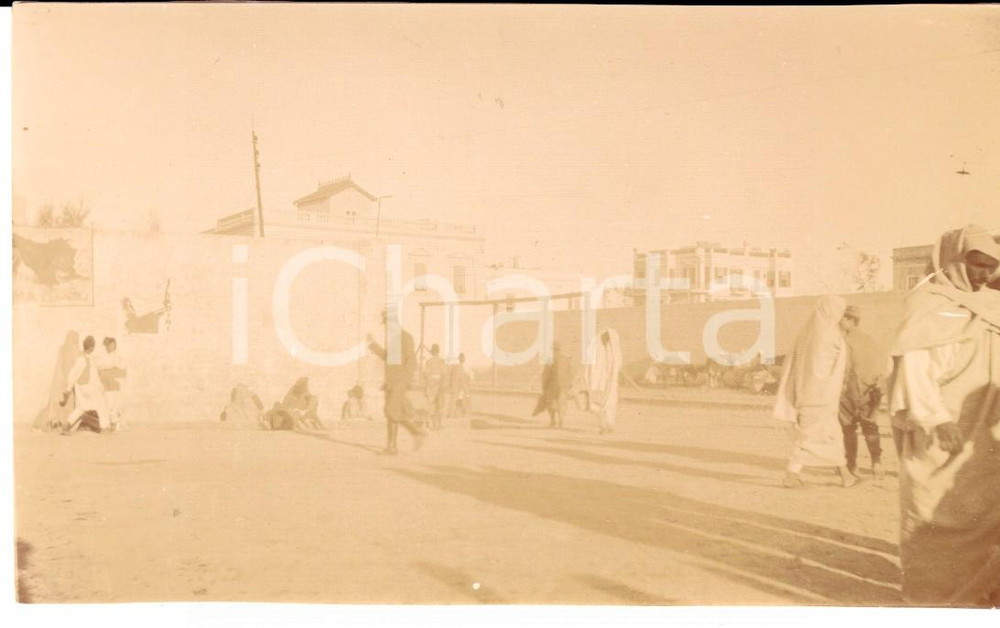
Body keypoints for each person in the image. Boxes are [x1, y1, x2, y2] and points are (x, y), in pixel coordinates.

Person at [886, 224, 1000, 606]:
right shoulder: (928, 304)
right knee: (931, 513)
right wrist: (937, 419)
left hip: (984, 433)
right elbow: (916, 371)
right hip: (940, 430)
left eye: (992, 266)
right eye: (978, 264)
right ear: (953, 259)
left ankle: (977, 595)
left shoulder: (992, 305)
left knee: (983, 514)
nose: (985, 274)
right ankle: (930, 599)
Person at [774, 295, 858, 488]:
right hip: (821, 395)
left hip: (805, 393)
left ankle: (845, 475)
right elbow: (824, 368)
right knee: (815, 436)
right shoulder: (829, 335)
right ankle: (792, 475)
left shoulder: (806, 333)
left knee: (825, 436)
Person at [367, 310, 427, 455]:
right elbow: (389, 358)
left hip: (399, 382)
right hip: (391, 382)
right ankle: (392, 447)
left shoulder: (405, 337)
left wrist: (404, 381)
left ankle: (416, 432)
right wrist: (372, 344)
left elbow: (411, 362)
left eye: (387, 324)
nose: (386, 328)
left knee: (391, 411)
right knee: (391, 412)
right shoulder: (394, 339)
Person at [837, 306, 886, 479]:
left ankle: (852, 465)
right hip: (871, 389)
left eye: (843, 318)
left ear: (851, 320)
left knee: (848, 428)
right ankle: (876, 463)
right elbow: (882, 366)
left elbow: (846, 368)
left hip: (851, 389)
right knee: (870, 426)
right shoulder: (870, 340)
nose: (839, 321)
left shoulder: (845, 341)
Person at [33, 331, 81, 431]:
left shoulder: (62, 348)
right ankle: (63, 424)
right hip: (68, 381)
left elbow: (59, 366)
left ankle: (54, 423)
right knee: (67, 403)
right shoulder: (75, 350)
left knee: (57, 403)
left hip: (60, 380)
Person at [62, 335, 110, 434]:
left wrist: (68, 389)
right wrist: (68, 389)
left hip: (83, 389)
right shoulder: (83, 359)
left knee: (81, 408)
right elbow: (73, 374)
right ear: (91, 348)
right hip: (87, 389)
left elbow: (74, 375)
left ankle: (67, 426)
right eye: (93, 346)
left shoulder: (87, 359)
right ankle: (104, 428)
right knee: (101, 404)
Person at [586, 329, 623, 434]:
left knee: (610, 404)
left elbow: (616, 367)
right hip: (598, 383)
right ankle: (603, 425)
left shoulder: (614, 353)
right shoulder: (597, 350)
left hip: (610, 384)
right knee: (597, 405)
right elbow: (590, 368)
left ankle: (610, 425)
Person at [535, 341, 573, 428]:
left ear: (552, 350)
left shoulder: (550, 360)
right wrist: (569, 384)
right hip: (563, 386)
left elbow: (545, 374)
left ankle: (553, 420)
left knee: (551, 403)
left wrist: (544, 387)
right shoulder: (566, 360)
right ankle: (561, 421)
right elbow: (571, 373)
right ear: (560, 349)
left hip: (552, 386)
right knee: (561, 403)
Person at [96, 337, 127, 432]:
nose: (110, 347)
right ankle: (109, 424)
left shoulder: (118, 357)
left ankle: (115, 424)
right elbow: (99, 367)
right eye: (109, 345)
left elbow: (123, 369)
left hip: (115, 383)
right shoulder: (103, 357)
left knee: (115, 404)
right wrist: (110, 367)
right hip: (106, 383)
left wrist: (114, 367)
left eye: (112, 345)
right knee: (108, 403)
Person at [423, 344, 447, 430]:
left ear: (431, 351)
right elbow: (444, 375)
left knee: (431, 406)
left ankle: (432, 425)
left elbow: (425, 375)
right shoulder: (442, 361)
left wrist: (428, 384)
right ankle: (439, 425)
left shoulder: (428, 362)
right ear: (438, 351)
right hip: (439, 386)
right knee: (439, 406)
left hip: (431, 386)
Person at [446, 353, 473, 418]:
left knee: (461, 400)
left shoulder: (467, 367)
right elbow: (452, 377)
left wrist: (468, 385)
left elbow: (470, 377)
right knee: (455, 400)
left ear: (464, 359)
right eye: (460, 358)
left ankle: (457, 413)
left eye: (462, 358)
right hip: (458, 386)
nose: (461, 359)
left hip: (463, 387)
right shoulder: (456, 367)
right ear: (459, 359)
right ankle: (452, 413)